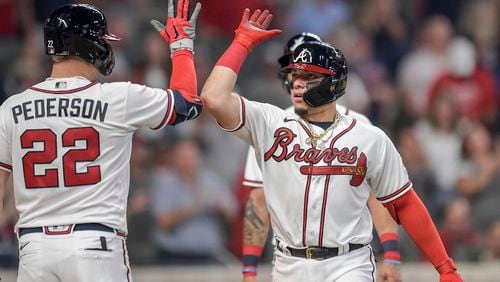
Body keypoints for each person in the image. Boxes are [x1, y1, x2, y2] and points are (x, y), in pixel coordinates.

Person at [200, 8, 462, 282]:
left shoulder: (368, 136)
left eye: (310, 77)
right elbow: (214, 98)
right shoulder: (269, 123)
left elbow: (404, 202)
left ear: (335, 84)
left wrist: (444, 267)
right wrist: (241, 44)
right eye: (296, 76)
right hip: (288, 265)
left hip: (348, 263)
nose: (299, 84)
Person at [0, 0, 202, 281]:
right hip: (95, 245)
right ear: (87, 46)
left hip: (35, 249)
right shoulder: (118, 97)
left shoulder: (12, 108)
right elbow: (187, 103)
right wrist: (181, 48)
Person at [241, 32, 401, 282]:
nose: (297, 78)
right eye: (293, 69)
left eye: (309, 72)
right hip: (291, 260)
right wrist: (249, 269)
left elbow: (377, 195)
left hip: (348, 258)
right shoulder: (268, 124)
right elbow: (258, 201)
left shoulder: (361, 126)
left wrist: (391, 252)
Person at [151, 137, 237, 264]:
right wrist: (195, 207)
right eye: (184, 157)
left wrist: (220, 208)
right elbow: (163, 221)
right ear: (175, 159)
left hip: (207, 256)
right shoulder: (165, 183)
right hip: (173, 257)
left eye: (192, 157)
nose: (189, 161)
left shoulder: (212, 181)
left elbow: (233, 214)